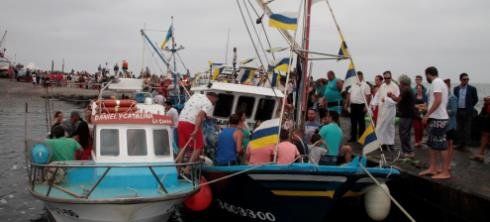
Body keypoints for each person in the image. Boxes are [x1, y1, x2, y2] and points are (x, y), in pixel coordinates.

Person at [419, 66, 450, 180]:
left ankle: (445, 171)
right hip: (437, 117)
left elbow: (438, 100)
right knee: (432, 144)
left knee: (441, 145)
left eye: (425, 76)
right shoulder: (440, 83)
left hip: (439, 119)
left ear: (428, 74)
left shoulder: (436, 82)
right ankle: (433, 168)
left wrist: (427, 114)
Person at [176, 92, 218, 164]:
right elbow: (199, 116)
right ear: (212, 98)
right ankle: (187, 169)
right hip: (191, 123)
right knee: (199, 147)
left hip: (180, 121)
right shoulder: (208, 103)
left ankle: (178, 169)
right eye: (215, 101)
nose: (214, 103)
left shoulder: (196, 95)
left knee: (183, 147)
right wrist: (196, 129)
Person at [389, 75, 415, 157]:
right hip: (408, 115)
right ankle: (407, 151)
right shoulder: (409, 89)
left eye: (400, 82)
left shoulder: (406, 90)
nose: (399, 84)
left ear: (403, 82)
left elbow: (397, 99)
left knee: (403, 134)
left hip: (406, 115)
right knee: (405, 134)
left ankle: (408, 152)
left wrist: (391, 95)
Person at [375, 71, 399, 150]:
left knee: (390, 127)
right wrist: (373, 104)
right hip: (382, 110)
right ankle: (382, 143)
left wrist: (386, 99)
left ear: (391, 77)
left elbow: (397, 100)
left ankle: (391, 143)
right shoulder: (382, 86)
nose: (386, 79)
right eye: (385, 78)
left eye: (388, 78)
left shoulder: (395, 87)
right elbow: (377, 96)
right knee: (381, 126)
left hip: (390, 110)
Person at [453, 73, 479, 150]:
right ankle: (460, 144)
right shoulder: (456, 89)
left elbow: (476, 99)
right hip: (459, 110)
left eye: (467, 79)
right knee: (459, 128)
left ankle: (466, 145)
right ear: (460, 80)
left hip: (467, 111)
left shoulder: (472, 88)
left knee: (467, 128)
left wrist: (470, 107)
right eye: (464, 79)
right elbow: (455, 99)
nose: (466, 81)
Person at [345, 71, 371, 142]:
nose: (357, 78)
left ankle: (361, 138)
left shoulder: (366, 85)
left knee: (361, 123)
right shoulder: (353, 84)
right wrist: (346, 104)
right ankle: (353, 137)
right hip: (353, 105)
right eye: (356, 76)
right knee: (353, 122)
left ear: (362, 77)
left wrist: (366, 106)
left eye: (359, 76)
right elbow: (349, 94)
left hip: (361, 105)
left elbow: (368, 96)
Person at [471, 96, 490, 162]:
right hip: (487, 119)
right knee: (484, 135)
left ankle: (481, 154)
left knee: (485, 135)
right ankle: (481, 154)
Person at [444, 79, 457, 169]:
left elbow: (454, 111)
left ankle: (449, 163)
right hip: (444, 124)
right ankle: (446, 162)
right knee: (445, 144)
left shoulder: (452, 97)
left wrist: (442, 111)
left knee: (450, 143)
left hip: (450, 124)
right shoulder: (443, 97)